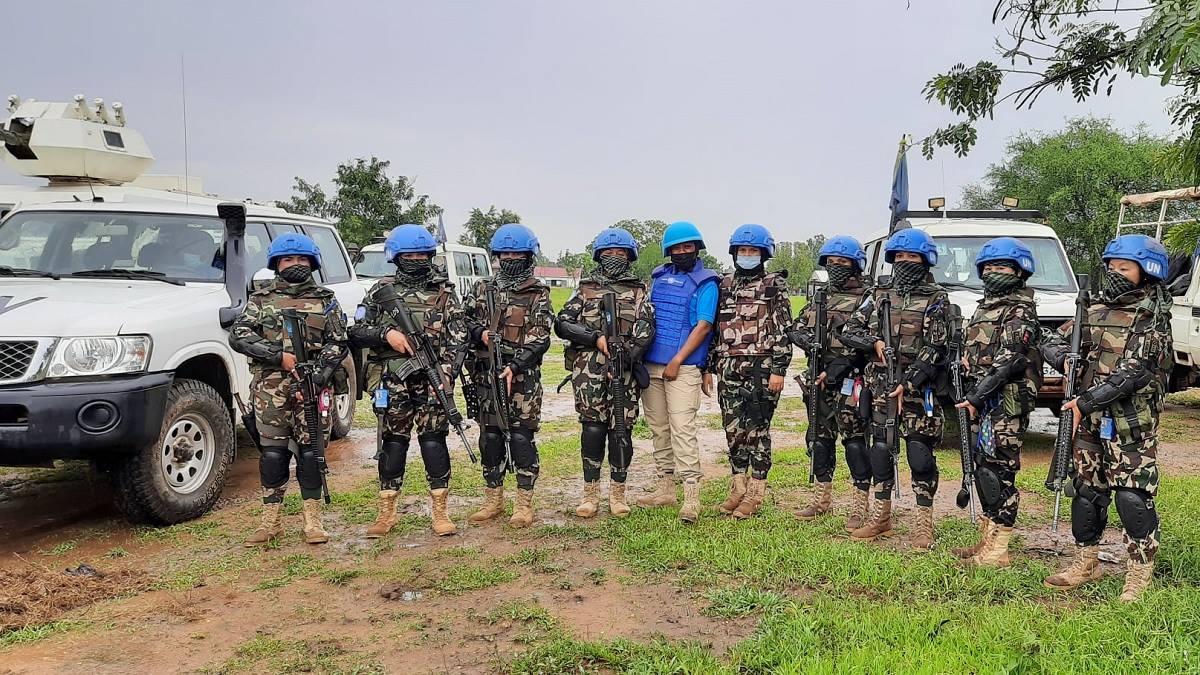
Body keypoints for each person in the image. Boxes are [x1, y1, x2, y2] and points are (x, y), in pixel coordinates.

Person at [1042, 234, 1172, 602]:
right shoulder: (1094, 310)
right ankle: (1087, 562)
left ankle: (1138, 573)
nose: (1114, 273)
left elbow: (1134, 372)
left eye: (1124, 268)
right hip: (1089, 421)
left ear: (1146, 273)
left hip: (1131, 424)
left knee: (1132, 497)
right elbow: (1050, 339)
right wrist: (1064, 358)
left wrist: (1087, 400)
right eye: (1111, 266)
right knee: (1086, 492)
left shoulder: (1152, 319)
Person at [349, 224, 468, 537]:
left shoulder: (445, 293)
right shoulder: (379, 292)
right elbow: (356, 332)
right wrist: (386, 334)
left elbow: (459, 339)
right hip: (392, 380)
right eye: (409, 254)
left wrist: (446, 373)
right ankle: (386, 513)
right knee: (393, 443)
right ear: (396, 257)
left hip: (432, 381)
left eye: (421, 254)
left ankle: (440, 514)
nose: (416, 259)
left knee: (433, 441)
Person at [229, 233, 349, 546]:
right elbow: (239, 336)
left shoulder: (326, 299)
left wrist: (319, 374)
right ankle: (271, 522)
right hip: (271, 389)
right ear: (276, 264)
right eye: (287, 259)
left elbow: (338, 342)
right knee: (273, 454)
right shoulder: (261, 298)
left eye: (300, 259)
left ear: (312, 263)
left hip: (310, 387)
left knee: (311, 453)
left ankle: (313, 521)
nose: (295, 264)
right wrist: (278, 357)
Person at [841, 228, 951, 551]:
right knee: (879, 449)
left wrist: (910, 381)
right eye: (899, 257)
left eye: (912, 257)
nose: (904, 262)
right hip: (880, 385)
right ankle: (882, 516)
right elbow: (850, 330)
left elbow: (936, 348)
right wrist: (873, 342)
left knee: (920, 454)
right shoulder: (878, 296)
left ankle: (923, 523)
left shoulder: (936, 299)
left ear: (925, 260)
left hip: (917, 390)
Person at [951, 237, 1042, 567]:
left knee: (999, 472)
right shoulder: (984, 307)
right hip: (981, 400)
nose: (993, 272)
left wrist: (976, 396)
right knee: (982, 469)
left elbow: (1011, 360)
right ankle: (987, 541)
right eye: (988, 267)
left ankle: (999, 549)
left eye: (1002, 267)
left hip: (1004, 402)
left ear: (1019, 272)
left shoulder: (1021, 310)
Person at [555, 228, 655, 518]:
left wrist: (626, 358)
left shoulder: (639, 292)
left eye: (621, 253)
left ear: (630, 257)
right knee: (593, 429)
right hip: (589, 371)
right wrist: (594, 338)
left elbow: (646, 329)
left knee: (621, 430)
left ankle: (618, 493)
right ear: (599, 255)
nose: (614, 257)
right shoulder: (584, 289)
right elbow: (563, 324)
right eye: (609, 253)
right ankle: (590, 494)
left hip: (624, 371)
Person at [463, 224, 554, 528]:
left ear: (529, 256)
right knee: (489, 437)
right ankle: (493, 499)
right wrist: (482, 334)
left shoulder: (538, 292)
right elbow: (463, 324)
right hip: (487, 375)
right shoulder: (481, 289)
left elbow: (541, 337)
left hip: (522, 376)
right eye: (506, 253)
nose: (511, 257)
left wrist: (515, 367)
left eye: (518, 253)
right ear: (497, 255)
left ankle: (524, 502)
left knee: (520, 437)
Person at [703, 224, 792, 518]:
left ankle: (756, 493)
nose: (747, 255)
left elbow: (783, 330)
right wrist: (708, 368)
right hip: (728, 367)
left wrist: (779, 369)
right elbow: (715, 331)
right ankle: (737, 487)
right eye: (743, 250)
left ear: (764, 254)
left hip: (761, 369)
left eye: (753, 250)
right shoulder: (724, 285)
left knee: (757, 429)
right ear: (734, 253)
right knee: (734, 430)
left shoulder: (773, 286)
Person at [636, 221, 720, 523]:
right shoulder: (658, 278)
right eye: (677, 248)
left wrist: (678, 359)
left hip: (682, 368)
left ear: (697, 248)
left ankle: (691, 496)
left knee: (682, 428)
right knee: (659, 427)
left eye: (688, 247)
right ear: (668, 251)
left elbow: (704, 326)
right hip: (652, 365)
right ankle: (665, 488)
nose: (683, 252)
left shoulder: (706, 283)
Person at [789, 236, 874, 528]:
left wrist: (841, 365)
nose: (836, 267)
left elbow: (869, 339)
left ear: (856, 264)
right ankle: (821, 499)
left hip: (850, 379)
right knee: (819, 439)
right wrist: (805, 343)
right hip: (818, 378)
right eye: (831, 263)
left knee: (854, 443)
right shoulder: (820, 296)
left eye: (843, 262)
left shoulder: (868, 297)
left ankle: (859, 505)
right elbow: (797, 328)